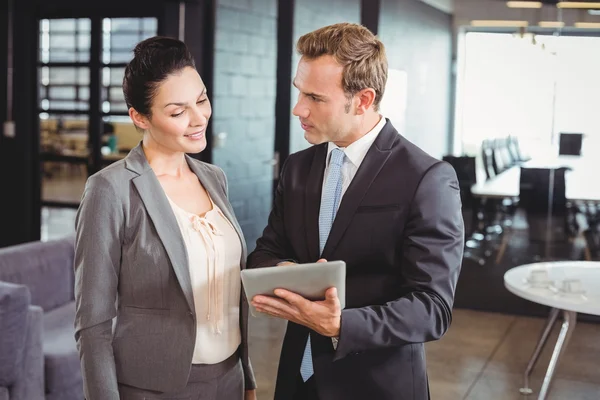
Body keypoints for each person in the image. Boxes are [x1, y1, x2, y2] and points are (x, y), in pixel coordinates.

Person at [247, 23, 464, 400]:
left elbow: (433, 307)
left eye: (315, 97)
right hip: (295, 381)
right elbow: (267, 250)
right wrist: (284, 274)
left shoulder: (426, 178)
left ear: (362, 100)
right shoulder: (297, 167)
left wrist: (341, 324)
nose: (299, 108)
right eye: (300, 92)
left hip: (377, 386)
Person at [74, 36, 256, 400]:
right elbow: (92, 324)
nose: (199, 118)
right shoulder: (110, 190)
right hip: (152, 388)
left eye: (202, 100)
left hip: (229, 379)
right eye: (177, 112)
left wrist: (247, 378)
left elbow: (229, 292)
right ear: (140, 117)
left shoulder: (214, 178)